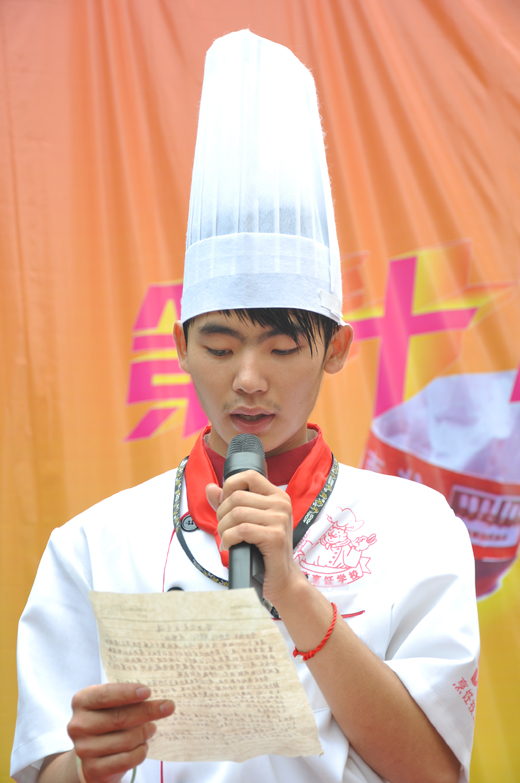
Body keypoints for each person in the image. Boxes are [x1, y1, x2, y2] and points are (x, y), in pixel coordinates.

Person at [11, 30, 479, 783]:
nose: (249, 379)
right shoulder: (95, 543)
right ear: (179, 345)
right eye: (221, 346)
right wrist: (85, 766)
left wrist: (291, 593)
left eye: (283, 348)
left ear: (337, 349)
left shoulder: (415, 528)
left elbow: (434, 771)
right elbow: (43, 770)